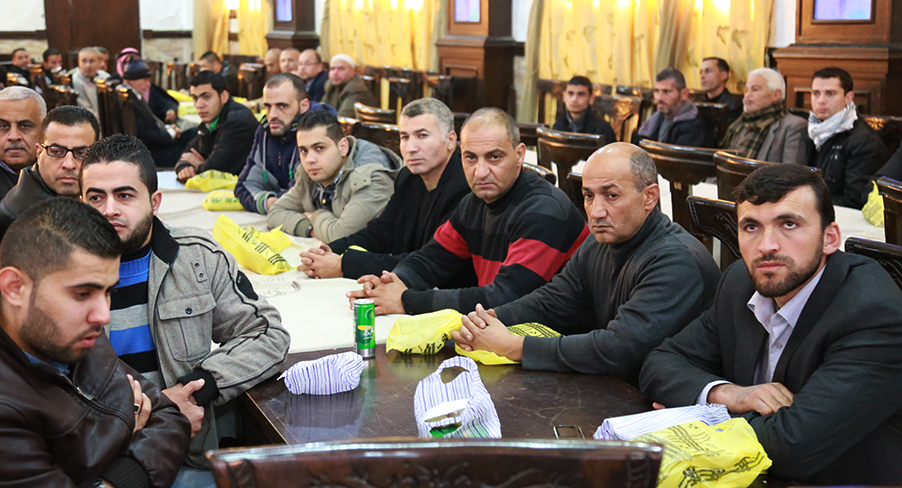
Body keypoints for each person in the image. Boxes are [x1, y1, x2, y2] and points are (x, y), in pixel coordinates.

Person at [640, 163, 902, 484]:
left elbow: (792, 447)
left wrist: (689, 422)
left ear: (830, 238)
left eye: (788, 224)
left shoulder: (873, 313)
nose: (766, 246)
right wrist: (729, 394)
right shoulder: (742, 281)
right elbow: (660, 363)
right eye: (751, 227)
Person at [81, 134, 290, 484]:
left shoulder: (198, 257)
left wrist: (200, 385)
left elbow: (267, 334)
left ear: (155, 202)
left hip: (186, 458)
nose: (109, 209)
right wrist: (160, 409)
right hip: (100, 461)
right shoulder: (59, 277)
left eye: (124, 195)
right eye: (95, 197)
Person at [0, 197, 190, 487]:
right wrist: (125, 437)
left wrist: (116, 459)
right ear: (14, 287)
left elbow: (169, 417)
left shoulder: (62, 330)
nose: (103, 315)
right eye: (82, 294)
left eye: (108, 292)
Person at [451, 143, 721, 384]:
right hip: (619, 388)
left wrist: (513, 346)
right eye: (589, 196)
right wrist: (486, 322)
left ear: (649, 197)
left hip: (673, 405)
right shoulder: (599, 242)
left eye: (611, 196)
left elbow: (618, 349)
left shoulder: (676, 261)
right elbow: (551, 302)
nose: (596, 211)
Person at [346, 108, 589, 316]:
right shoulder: (473, 203)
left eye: (494, 157)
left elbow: (505, 298)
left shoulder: (544, 210)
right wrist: (393, 282)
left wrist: (405, 300)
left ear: (520, 155)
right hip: (499, 330)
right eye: (470, 158)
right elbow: (430, 259)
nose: (480, 172)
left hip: (556, 337)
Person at [298, 98, 474, 284]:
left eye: (422, 136)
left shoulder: (465, 188)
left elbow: (428, 262)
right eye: (405, 137)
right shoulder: (408, 178)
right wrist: (329, 251)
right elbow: (379, 234)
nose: (411, 148)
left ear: (450, 140)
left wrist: (343, 265)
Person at [268, 109, 401, 242]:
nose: (309, 159)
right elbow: (275, 212)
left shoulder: (373, 179)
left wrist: (315, 216)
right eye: (304, 150)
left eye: (319, 148)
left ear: (343, 147)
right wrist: (308, 228)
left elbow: (341, 236)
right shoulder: (313, 173)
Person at [234, 73, 335, 214]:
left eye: (282, 106)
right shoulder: (266, 129)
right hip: (280, 214)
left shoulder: (319, 133)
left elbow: (305, 197)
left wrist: (276, 202)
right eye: (268, 106)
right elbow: (244, 185)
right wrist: (266, 201)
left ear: (304, 106)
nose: (272, 114)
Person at [0, 105, 99, 230]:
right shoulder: (24, 218)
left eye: (81, 153)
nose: (69, 164)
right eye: (56, 152)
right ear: (39, 153)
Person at [798, 66, 886, 209]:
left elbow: (854, 200)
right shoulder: (808, 131)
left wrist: (806, 204)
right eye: (816, 93)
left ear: (848, 98)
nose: (821, 100)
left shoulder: (864, 141)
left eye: (830, 93)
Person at [175, 71, 259, 182]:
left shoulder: (238, 122)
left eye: (206, 97)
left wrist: (200, 165)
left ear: (224, 97)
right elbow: (187, 154)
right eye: (195, 98)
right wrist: (184, 168)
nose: (199, 105)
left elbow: (216, 170)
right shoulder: (211, 120)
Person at [721, 68, 807, 163]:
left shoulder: (793, 126)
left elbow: (791, 171)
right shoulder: (740, 122)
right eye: (746, 90)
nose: (747, 95)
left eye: (755, 89)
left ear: (776, 95)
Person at [122, 59, 190, 168]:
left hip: (156, 142)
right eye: (144, 80)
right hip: (149, 152)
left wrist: (168, 128)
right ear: (131, 81)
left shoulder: (135, 96)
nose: (148, 84)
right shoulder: (128, 101)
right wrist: (170, 133)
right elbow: (144, 134)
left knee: (193, 134)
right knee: (188, 152)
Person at [632, 68, 715, 148]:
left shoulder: (694, 127)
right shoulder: (656, 119)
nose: (660, 98)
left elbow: (678, 157)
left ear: (684, 94)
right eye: (657, 91)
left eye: (667, 92)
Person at [551, 76, 617, 142]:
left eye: (581, 94)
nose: (574, 99)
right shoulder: (558, 125)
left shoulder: (602, 129)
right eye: (570, 93)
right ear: (564, 97)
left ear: (591, 98)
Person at [699, 57, 743, 122]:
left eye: (708, 71)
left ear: (724, 75)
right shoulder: (698, 103)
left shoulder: (734, 104)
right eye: (701, 72)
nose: (702, 76)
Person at [71, 47, 109, 117]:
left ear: (99, 63)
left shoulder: (105, 77)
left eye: (92, 61)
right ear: (78, 62)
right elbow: (85, 109)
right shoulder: (75, 79)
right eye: (84, 61)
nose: (87, 66)